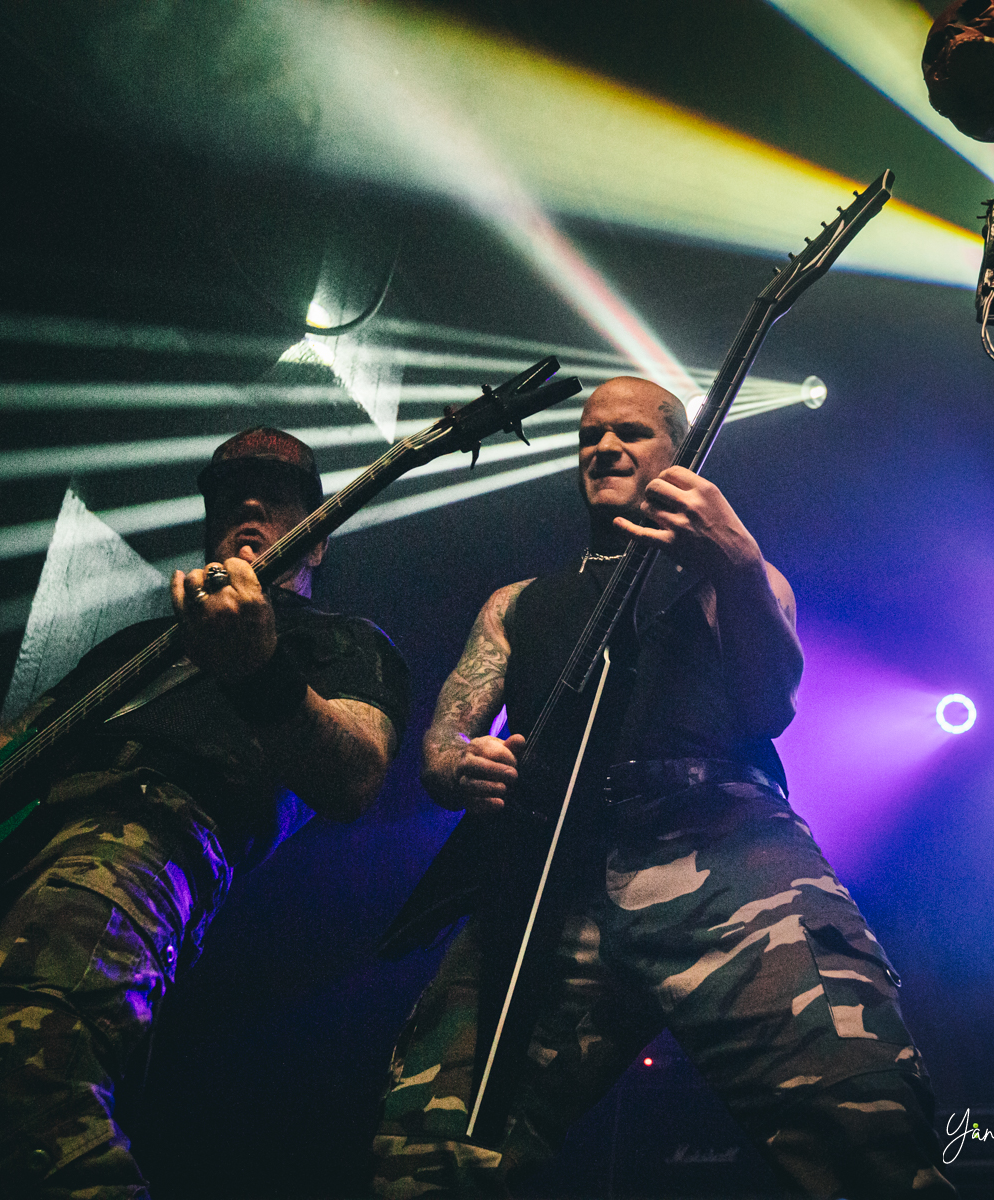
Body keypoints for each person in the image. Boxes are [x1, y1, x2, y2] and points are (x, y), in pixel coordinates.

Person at [0, 427, 409, 1198]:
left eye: (280, 492)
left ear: (320, 533)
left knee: (26, 1079)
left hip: (149, 832)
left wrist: (261, 671)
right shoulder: (138, 643)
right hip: (2, 837)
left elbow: (357, 774)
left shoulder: (342, 641)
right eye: (230, 490)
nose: (251, 503)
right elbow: (5, 747)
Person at [373, 377, 952, 1199]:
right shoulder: (517, 603)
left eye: (632, 433)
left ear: (680, 455)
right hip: (552, 867)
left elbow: (770, 705)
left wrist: (739, 559)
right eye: (588, 436)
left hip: (719, 847)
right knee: (429, 1154)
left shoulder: (736, 575)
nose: (603, 447)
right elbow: (441, 745)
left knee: (862, 1120)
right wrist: (457, 762)